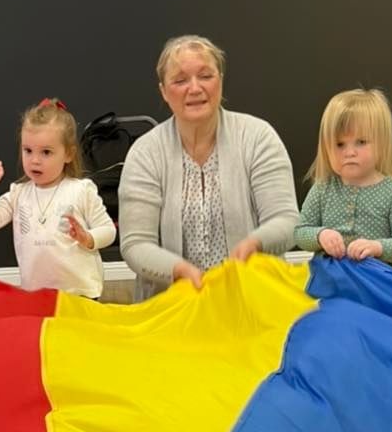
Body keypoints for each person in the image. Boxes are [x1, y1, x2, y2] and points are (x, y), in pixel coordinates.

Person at [118, 34, 299, 298]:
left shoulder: (259, 137)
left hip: (253, 300)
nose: (194, 88)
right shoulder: (145, 153)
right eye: (180, 80)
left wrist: (254, 243)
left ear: (221, 81)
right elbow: (136, 244)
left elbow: (287, 220)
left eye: (205, 76)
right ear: (164, 92)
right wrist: (177, 270)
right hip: (173, 308)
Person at [0, 98, 115, 298]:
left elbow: (109, 230)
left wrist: (88, 238)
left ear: (68, 154)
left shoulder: (81, 190)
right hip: (36, 294)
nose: (35, 160)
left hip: (80, 292)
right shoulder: (18, 193)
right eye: (28, 151)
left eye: (46, 152)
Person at [294, 88, 392, 270]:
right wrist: (320, 235)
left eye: (361, 142)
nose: (349, 152)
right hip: (334, 283)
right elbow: (300, 232)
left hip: (380, 285)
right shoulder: (323, 189)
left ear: (381, 143)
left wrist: (378, 247)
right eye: (339, 144)